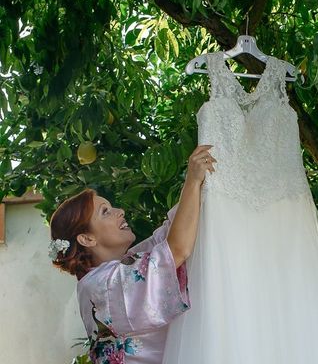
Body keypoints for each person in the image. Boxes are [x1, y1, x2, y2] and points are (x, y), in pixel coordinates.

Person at [48, 145, 216, 364]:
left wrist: (201, 188)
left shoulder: (108, 272)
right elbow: (176, 250)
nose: (120, 212)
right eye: (106, 212)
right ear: (87, 239)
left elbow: (164, 239)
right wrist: (192, 180)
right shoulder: (104, 285)